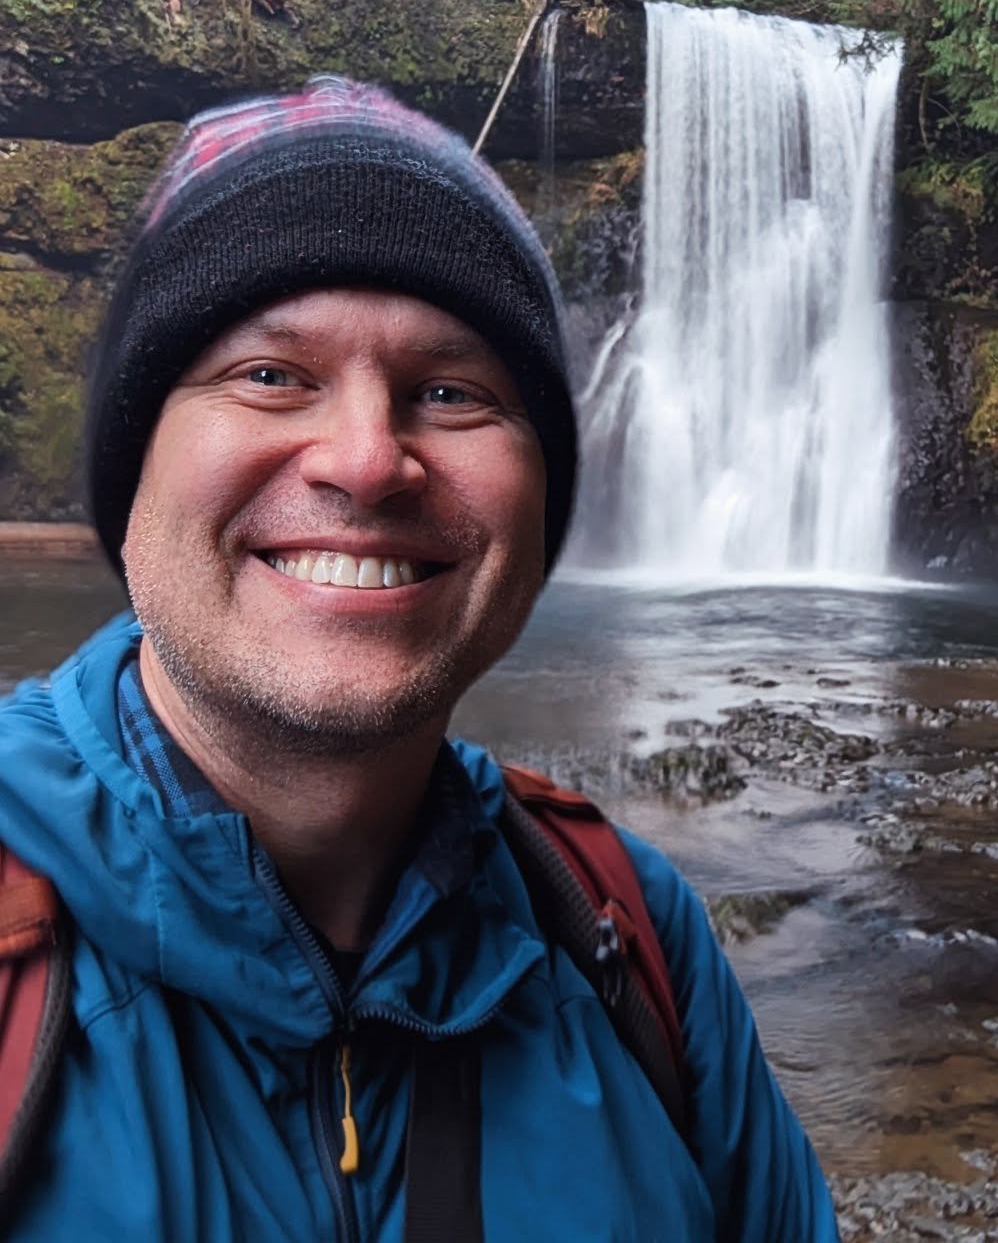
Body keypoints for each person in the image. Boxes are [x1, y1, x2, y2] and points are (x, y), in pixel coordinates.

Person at [0, 76, 839, 1240]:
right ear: (135, 464)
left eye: (450, 393)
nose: (364, 461)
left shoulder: (628, 932)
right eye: (270, 375)